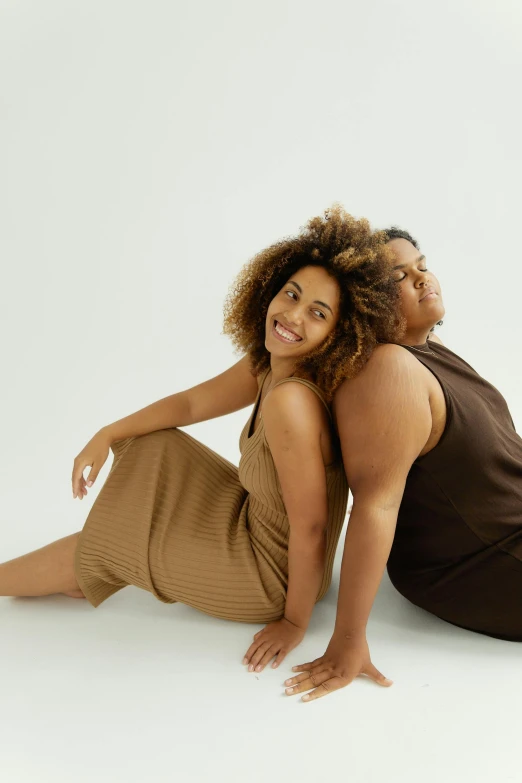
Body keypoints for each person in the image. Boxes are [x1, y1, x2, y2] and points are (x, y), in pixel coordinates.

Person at [0, 206, 401, 673]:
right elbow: (190, 405)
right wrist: (105, 434)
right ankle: (95, 560)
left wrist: (294, 621)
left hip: (267, 573)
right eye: (291, 294)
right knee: (152, 444)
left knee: (110, 538)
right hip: (253, 519)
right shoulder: (270, 365)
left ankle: (86, 563)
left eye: (317, 312)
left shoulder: (291, 402)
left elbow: (311, 527)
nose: (292, 315)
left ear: (339, 334)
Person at [284, 227, 522, 702]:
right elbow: (375, 506)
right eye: (399, 277)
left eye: (421, 265)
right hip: (485, 563)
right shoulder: (387, 370)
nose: (421, 278)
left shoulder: (427, 350)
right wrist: (348, 640)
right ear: (367, 305)